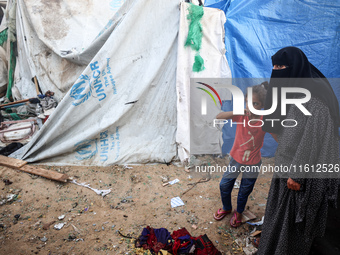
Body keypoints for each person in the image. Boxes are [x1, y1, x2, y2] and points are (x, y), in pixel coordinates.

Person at [257, 47, 340, 254]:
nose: (277, 71)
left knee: (292, 221)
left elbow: (311, 143)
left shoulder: (314, 101)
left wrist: (297, 175)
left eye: (282, 66)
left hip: (300, 176)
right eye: (274, 66)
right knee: (279, 215)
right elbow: (275, 124)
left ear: (296, 67)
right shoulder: (293, 89)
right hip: (287, 165)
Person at [213, 82, 268, 227]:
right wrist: (237, 112)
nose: (250, 106)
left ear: (262, 105)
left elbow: (277, 135)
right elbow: (219, 116)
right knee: (224, 185)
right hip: (236, 159)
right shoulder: (241, 116)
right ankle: (226, 207)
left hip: (253, 162)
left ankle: (239, 212)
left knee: (244, 190)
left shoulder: (265, 121)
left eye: (255, 103)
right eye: (248, 102)